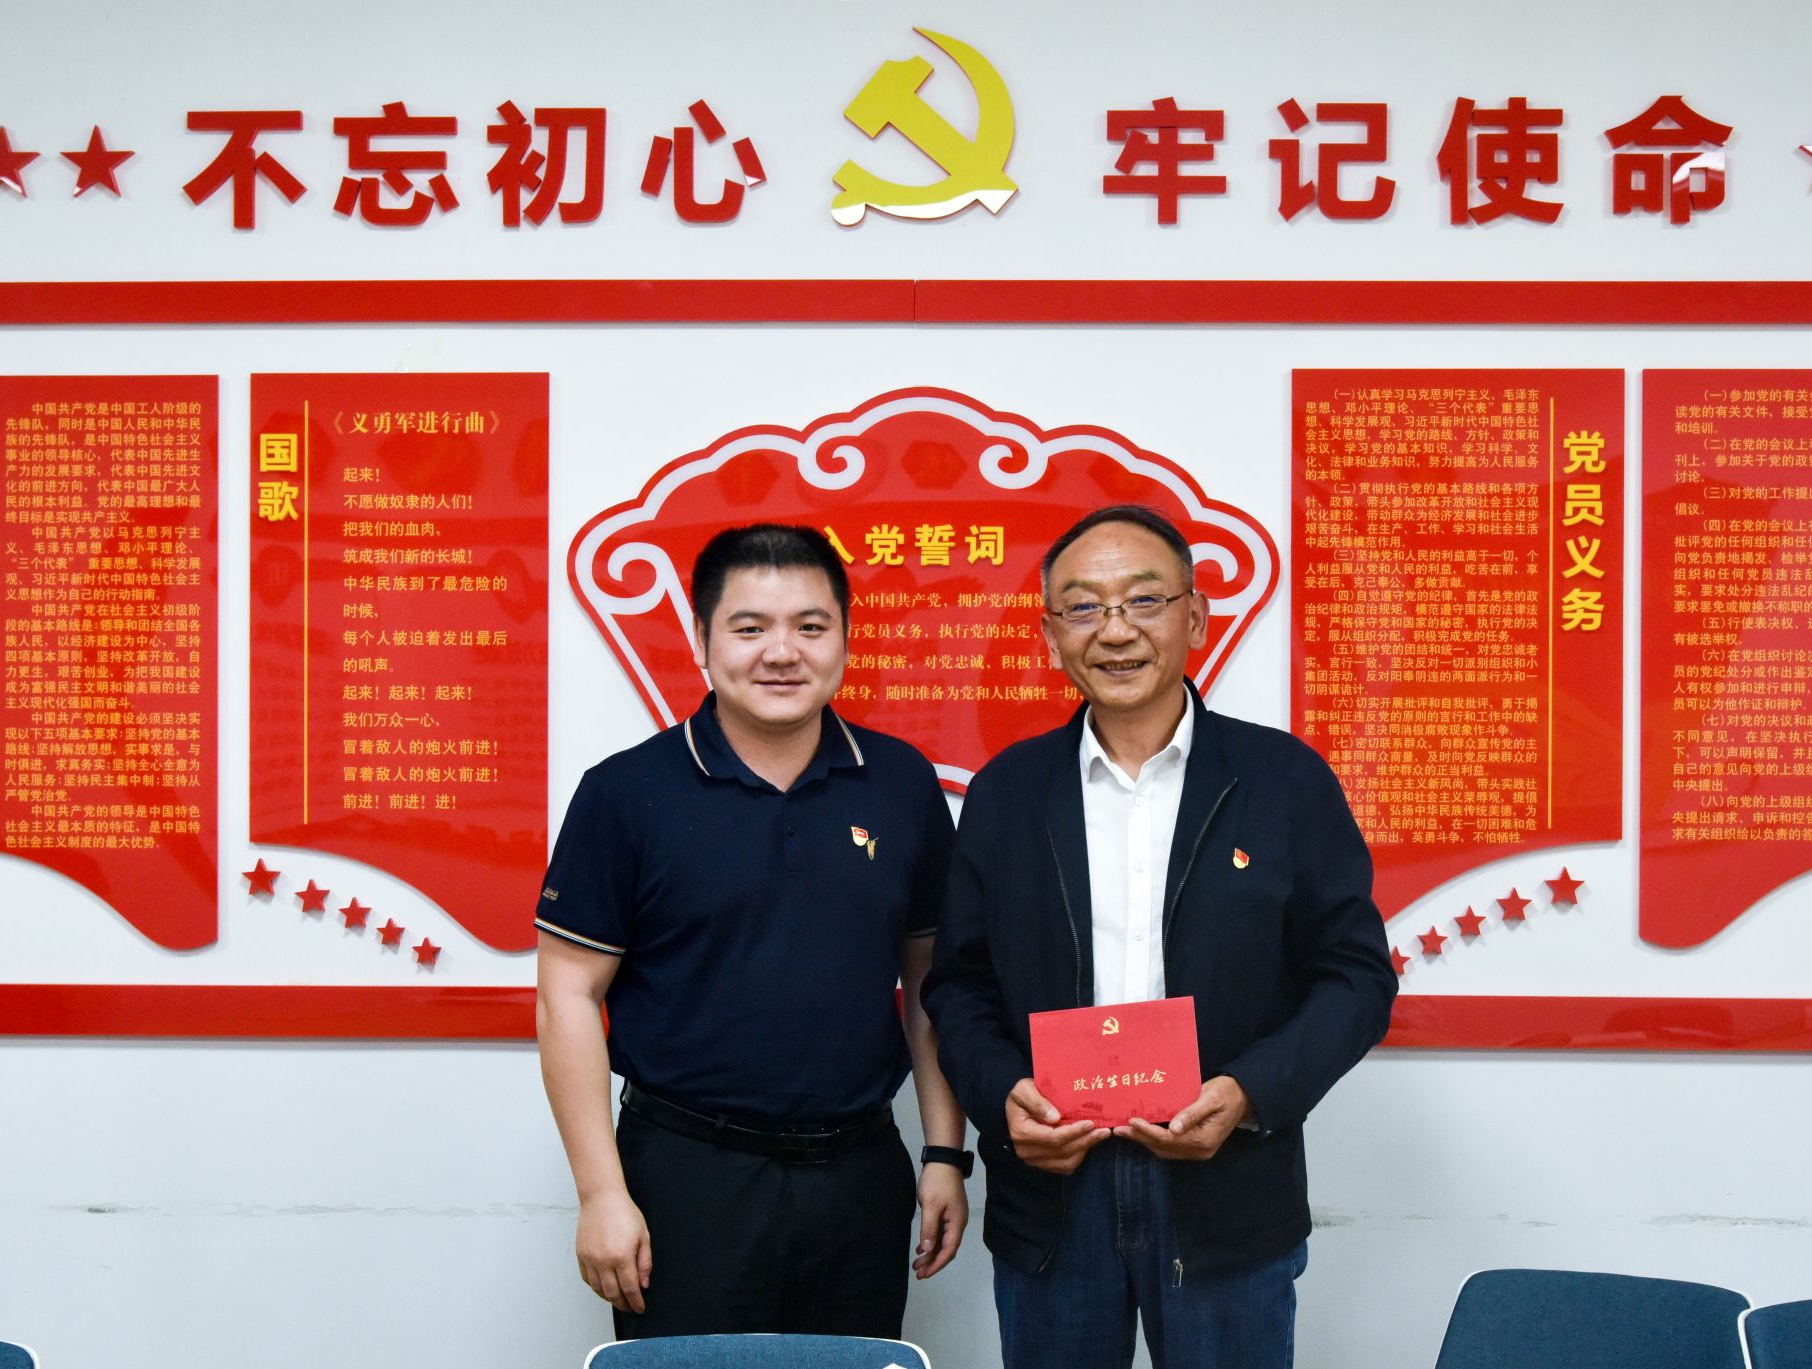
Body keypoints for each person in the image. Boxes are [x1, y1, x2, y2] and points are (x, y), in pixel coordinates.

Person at [922, 504, 1397, 1368]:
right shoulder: (1007, 793)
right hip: (1052, 1197)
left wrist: (1249, 1092)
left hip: (1226, 1192)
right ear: (1051, 634)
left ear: (1195, 616)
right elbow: (959, 984)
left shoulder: (1283, 781)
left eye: (1144, 600)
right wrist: (1003, 1098)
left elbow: (1357, 978)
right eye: (1083, 606)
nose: (1115, 631)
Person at [534, 523, 970, 1341]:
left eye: (810, 625)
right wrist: (601, 1192)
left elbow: (930, 983)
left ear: (845, 637)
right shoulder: (627, 792)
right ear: (702, 638)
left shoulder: (900, 782)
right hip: (685, 1177)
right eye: (749, 627)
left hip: (858, 1176)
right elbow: (568, 995)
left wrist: (946, 1152)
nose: (781, 652)